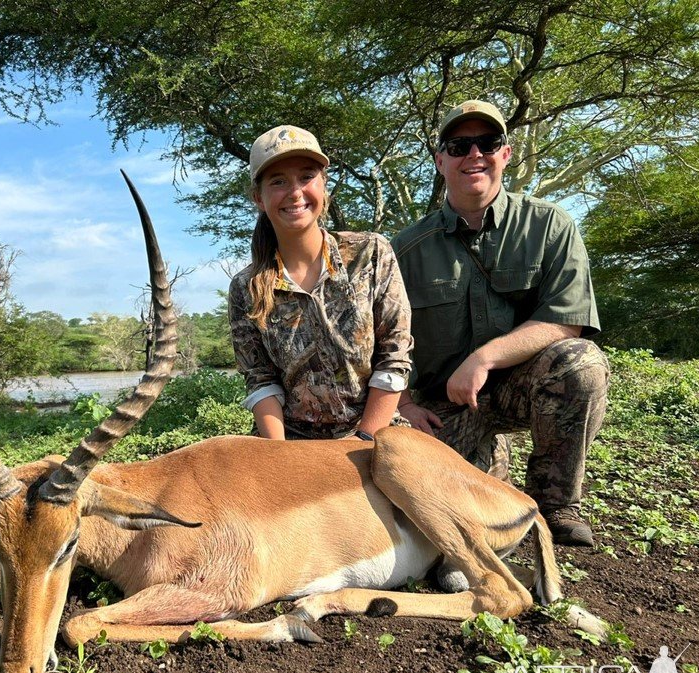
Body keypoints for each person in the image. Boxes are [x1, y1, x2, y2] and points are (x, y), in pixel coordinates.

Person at [392, 100, 610, 551]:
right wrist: (408, 406)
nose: (474, 155)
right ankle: (490, 461)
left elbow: (567, 321)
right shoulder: (405, 249)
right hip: (443, 407)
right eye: (459, 146)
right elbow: (382, 341)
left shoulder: (550, 226)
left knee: (581, 364)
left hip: (522, 387)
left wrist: (484, 358)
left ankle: (555, 503)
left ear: (505, 154)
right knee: (455, 517)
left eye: (487, 143)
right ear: (441, 161)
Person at [228, 125, 413, 441]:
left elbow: (394, 357)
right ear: (258, 197)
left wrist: (365, 441)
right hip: (289, 441)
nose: (295, 192)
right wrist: (280, 457)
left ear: (323, 184)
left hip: (374, 433)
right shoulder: (246, 287)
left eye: (306, 177)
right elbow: (260, 380)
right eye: (278, 181)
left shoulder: (371, 253)